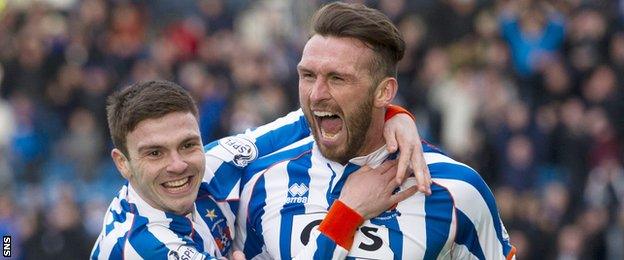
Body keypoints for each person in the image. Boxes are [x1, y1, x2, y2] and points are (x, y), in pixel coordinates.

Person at [233, 2, 516, 259]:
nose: (316, 94)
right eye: (307, 75)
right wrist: (346, 215)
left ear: (384, 92)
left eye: (337, 78)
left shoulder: (458, 191)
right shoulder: (262, 183)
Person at [90, 80, 428, 259]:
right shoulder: (142, 246)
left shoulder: (214, 163)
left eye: (188, 144)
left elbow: (305, 120)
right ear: (123, 163)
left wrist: (394, 116)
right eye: (154, 153)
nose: (177, 164)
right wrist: (349, 211)